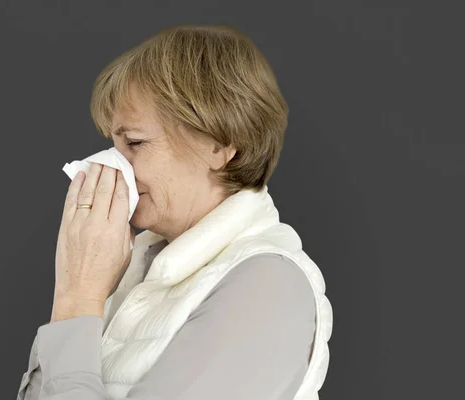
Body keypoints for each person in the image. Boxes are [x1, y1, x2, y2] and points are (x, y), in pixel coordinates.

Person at [17, 24, 333, 400]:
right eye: (114, 145)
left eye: (135, 143)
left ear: (217, 145)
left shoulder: (268, 287)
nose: (112, 165)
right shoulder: (133, 272)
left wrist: (77, 299)